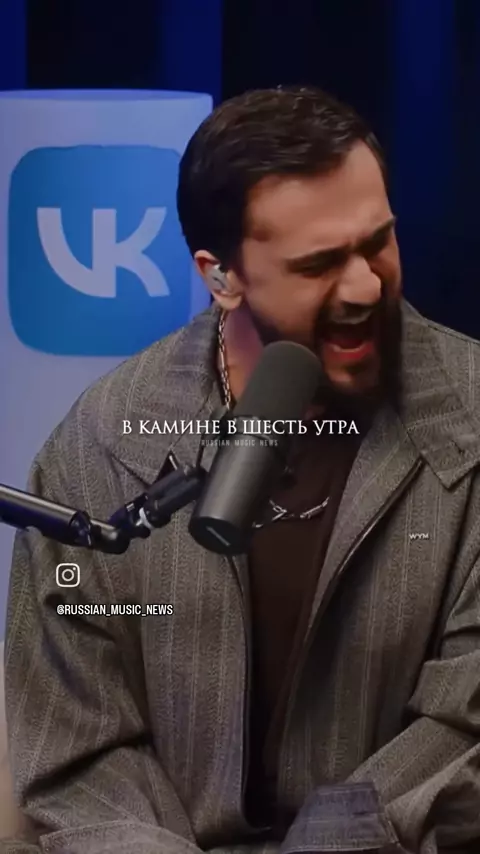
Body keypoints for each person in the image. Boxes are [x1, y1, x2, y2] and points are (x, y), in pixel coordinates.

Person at [4, 86, 480, 854]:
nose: (365, 286)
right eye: (320, 264)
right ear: (222, 277)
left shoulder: (472, 422)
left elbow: (467, 722)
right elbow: (77, 741)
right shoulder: (100, 444)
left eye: (378, 243)